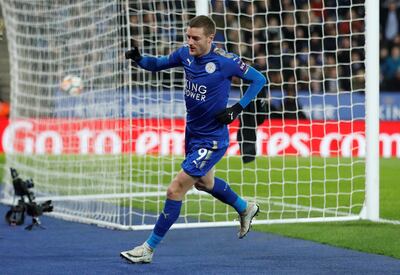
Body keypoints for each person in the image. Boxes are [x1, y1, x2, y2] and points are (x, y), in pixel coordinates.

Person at [121, 15, 266, 264]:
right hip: (193, 133)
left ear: (211, 38)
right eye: (188, 36)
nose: (190, 42)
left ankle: (148, 249)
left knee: (176, 188)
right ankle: (245, 207)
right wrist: (139, 59)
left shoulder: (225, 62)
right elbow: (158, 64)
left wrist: (237, 108)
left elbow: (259, 80)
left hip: (212, 139)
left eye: (196, 38)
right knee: (204, 183)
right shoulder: (185, 55)